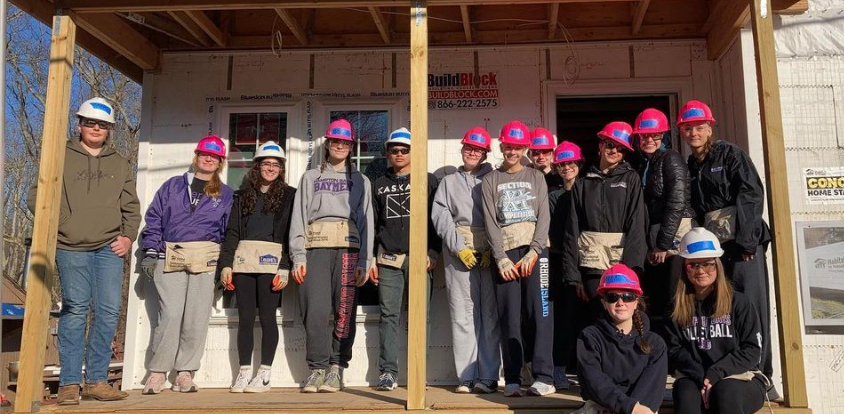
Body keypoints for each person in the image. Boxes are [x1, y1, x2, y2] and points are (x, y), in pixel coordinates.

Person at [26, 97, 141, 405]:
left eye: (102, 125)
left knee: (108, 312)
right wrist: (63, 223)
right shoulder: (59, 154)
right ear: (79, 124)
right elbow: (36, 196)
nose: (95, 128)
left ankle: (97, 381)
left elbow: (131, 206)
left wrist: (128, 237)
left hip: (108, 248)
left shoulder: (120, 163)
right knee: (75, 309)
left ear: (110, 130)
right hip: (69, 245)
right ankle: (69, 384)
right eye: (90, 122)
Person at [678, 100, 776, 398]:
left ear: (710, 127)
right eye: (687, 128)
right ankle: (723, 367)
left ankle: (762, 373)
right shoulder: (691, 166)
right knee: (721, 305)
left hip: (741, 244)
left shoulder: (730, 154)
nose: (693, 132)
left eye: (699, 127)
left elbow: (751, 193)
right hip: (714, 245)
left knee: (750, 304)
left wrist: (747, 241)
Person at [140, 135, 234, 394]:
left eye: (214, 156)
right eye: (205, 154)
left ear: (220, 162)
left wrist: (225, 263)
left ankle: (185, 371)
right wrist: (150, 249)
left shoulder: (225, 194)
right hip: (171, 254)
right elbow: (155, 217)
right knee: (169, 315)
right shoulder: (173, 186)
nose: (208, 159)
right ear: (196, 156)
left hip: (206, 258)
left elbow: (228, 231)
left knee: (196, 316)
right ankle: (158, 371)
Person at [289, 119, 374, 393]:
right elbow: (299, 217)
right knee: (314, 310)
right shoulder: (311, 177)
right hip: (316, 249)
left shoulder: (361, 180)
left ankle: (337, 367)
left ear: (351, 146)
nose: (340, 146)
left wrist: (365, 260)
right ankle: (316, 369)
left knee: (344, 310)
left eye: (345, 142)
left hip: (349, 249)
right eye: (336, 141)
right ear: (328, 144)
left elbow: (367, 222)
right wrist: (298, 255)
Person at [482, 120, 554, 397]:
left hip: (537, 252)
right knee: (509, 316)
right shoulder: (490, 180)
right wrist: (500, 258)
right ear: (501, 147)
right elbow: (490, 221)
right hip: (506, 254)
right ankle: (512, 378)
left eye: (518, 147)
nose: (512, 152)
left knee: (541, 313)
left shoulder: (536, 176)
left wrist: (536, 250)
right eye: (508, 146)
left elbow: (544, 215)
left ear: (525, 148)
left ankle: (544, 376)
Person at [218, 141, 296, 393]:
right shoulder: (241, 196)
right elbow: (232, 232)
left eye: (275, 165)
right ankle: (243, 372)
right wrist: (226, 264)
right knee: (245, 318)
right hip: (243, 261)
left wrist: (285, 266)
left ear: (281, 168)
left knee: (267, 317)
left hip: (272, 263)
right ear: (258, 166)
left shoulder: (289, 196)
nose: (270, 168)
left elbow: (290, 233)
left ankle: (264, 374)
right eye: (266, 163)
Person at [665, 228, 768, 414]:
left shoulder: (740, 302)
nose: (701, 271)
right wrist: (701, 376)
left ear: (717, 266)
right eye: (693, 265)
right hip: (694, 376)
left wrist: (716, 374)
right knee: (686, 397)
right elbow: (673, 350)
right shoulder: (675, 308)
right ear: (684, 269)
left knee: (725, 394)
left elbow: (752, 350)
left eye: (708, 264)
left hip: (740, 377)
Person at [370, 128, 441, 391]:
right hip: (388, 259)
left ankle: (417, 371)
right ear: (388, 153)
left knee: (420, 316)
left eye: (404, 150)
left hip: (420, 258)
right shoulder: (378, 184)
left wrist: (433, 254)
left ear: (413, 152)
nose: (399, 154)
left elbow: (437, 222)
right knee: (388, 315)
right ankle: (388, 372)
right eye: (394, 150)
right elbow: (375, 224)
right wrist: (372, 260)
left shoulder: (428, 180)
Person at [432, 127, 501, 394]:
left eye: (478, 149)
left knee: (490, 316)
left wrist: (492, 250)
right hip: (458, 255)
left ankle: (489, 376)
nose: (472, 152)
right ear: (462, 150)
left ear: (485, 154)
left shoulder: (494, 179)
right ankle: (466, 376)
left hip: (490, 255)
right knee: (462, 315)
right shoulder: (448, 182)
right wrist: (458, 248)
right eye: (468, 148)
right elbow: (441, 216)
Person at [563, 121, 646, 319]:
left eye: (620, 148)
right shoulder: (582, 184)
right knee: (596, 318)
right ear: (600, 145)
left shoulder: (631, 179)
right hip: (591, 266)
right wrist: (574, 278)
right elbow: (572, 230)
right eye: (610, 145)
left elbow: (637, 225)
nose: (614, 151)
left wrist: (632, 271)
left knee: (620, 319)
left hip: (621, 266)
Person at [632, 108, 696, 334]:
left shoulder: (672, 159)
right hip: (657, 237)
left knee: (674, 297)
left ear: (664, 136)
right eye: (644, 135)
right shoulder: (646, 165)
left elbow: (677, 202)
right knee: (658, 298)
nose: (649, 139)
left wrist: (663, 243)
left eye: (654, 135)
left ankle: (680, 353)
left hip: (675, 239)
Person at [575, 264, 667, 414]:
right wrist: (629, 408)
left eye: (628, 296)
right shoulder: (589, 337)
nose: (620, 302)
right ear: (603, 302)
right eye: (612, 297)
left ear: (637, 301)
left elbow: (651, 390)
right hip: (602, 407)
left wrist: (633, 410)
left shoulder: (655, 344)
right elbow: (595, 383)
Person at [547, 141, 584, 391]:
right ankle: (560, 368)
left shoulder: (589, 190)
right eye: (562, 164)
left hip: (587, 261)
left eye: (571, 163)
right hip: (560, 261)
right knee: (563, 317)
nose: (567, 168)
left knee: (588, 318)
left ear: (579, 164)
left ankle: (587, 369)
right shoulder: (553, 197)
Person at [529, 127, 564, 192]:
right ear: (529, 155)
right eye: (536, 152)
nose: (541, 157)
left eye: (545, 152)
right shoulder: (524, 178)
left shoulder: (562, 177)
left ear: (552, 154)